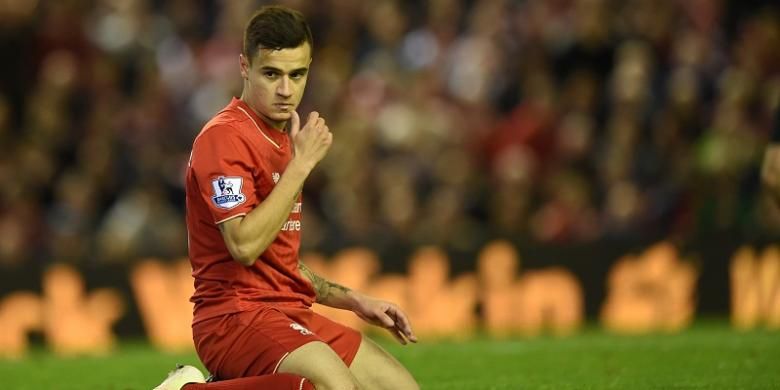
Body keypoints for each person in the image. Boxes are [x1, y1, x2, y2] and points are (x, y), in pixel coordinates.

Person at [155, 5, 419, 390]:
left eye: (298, 75)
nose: (286, 90)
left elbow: (281, 262)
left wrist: (354, 301)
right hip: (233, 318)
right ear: (245, 66)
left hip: (289, 310)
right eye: (271, 74)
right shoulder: (224, 138)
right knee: (336, 388)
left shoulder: (283, 138)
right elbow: (244, 245)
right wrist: (301, 165)